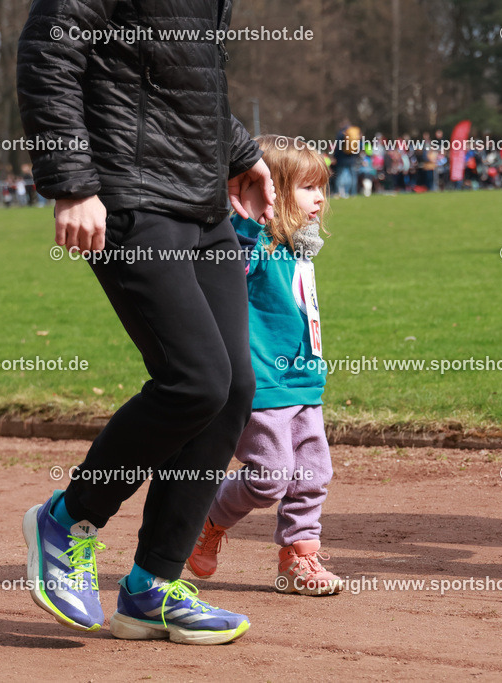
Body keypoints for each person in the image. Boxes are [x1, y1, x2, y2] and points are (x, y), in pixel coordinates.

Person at [17, 0, 274, 645]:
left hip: (203, 201)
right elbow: (49, 55)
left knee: (233, 390)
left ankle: (152, 587)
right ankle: (67, 519)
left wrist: (240, 151)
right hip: (129, 195)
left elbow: (183, 81)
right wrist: (72, 183)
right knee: (193, 380)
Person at [186, 135, 342, 597]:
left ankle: (299, 557)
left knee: (313, 473)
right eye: (307, 187)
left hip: (303, 382)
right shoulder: (253, 246)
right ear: (270, 192)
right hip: (263, 384)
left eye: (322, 188)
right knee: (270, 475)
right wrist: (249, 221)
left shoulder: (299, 248)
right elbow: (228, 265)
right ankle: (207, 519)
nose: (319, 198)